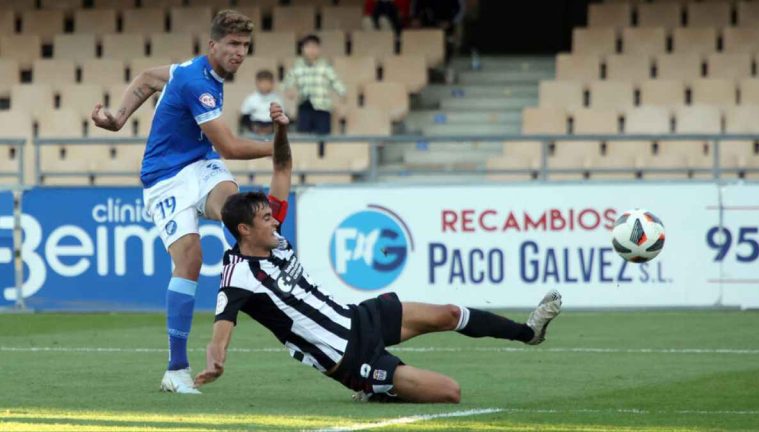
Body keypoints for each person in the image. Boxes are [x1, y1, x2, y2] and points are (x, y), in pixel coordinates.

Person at [193, 123, 563, 402]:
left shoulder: (273, 238)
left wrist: (282, 131)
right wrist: (215, 361)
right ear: (244, 229)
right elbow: (221, 329)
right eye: (265, 218)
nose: (274, 220)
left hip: (358, 317)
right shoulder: (238, 276)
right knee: (451, 392)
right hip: (348, 358)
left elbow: (283, 168)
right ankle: (377, 388)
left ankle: (528, 333)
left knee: (449, 313)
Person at [91, 10, 283, 394]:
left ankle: (276, 302)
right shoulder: (198, 82)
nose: (239, 52)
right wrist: (278, 149)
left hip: (201, 163)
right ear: (213, 45)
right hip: (165, 177)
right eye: (232, 44)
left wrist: (118, 118)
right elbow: (229, 145)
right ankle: (176, 369)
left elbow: (147, 77)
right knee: (191, 259)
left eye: (245, 46)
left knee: (241, 217)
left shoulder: (192, 70)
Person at [282, 34, 346, 135]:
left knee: (323, 137)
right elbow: (287, 81)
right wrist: (289, 89)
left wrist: (342, 93)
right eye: (308, 47)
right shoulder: (297, 66)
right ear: (302, 49)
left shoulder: (325, 66)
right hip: (304, 105)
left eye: (314, 47)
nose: (311, 50)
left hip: (323, 106)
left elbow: (335, 81)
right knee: (304, 137)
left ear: (319, 49)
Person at [240, 70, 284, 135]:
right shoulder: (250, 99)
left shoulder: (278, 99)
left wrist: (272, 128)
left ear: (272, 83)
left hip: (272, 129)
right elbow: (244, 118)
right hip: (254, 129)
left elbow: (282, 117)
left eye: (267, 83)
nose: (265, 85)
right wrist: (254, 128)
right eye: (262, 83)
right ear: (257, 83)